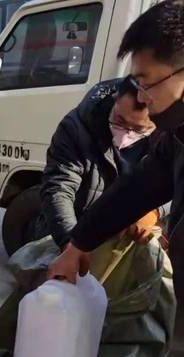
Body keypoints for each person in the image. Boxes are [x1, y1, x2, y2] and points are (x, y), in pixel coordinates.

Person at [47, 0, 184, 311]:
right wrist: (76, 244)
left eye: (147, 84)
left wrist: (155, 216)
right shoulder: (176, 136)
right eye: (136, 84)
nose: (142, 98)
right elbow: (137, 188)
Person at [40, 76, 164, 249]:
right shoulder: (76, 128)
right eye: (119, 120)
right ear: (114, 99)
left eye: (138, 129)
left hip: (127, 243)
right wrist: (70, 244)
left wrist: (155, 211)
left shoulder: (166, 138)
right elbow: (59, 188)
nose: (124, 137)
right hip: (74, 230)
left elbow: (174, 181)